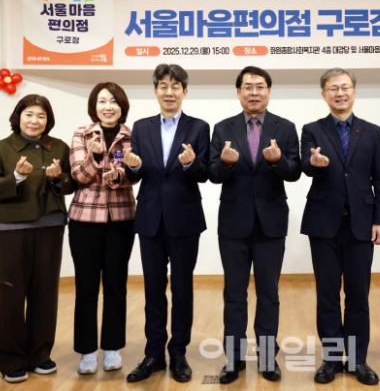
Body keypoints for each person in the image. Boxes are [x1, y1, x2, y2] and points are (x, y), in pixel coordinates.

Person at [208, 66, 301, 384]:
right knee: (234, 294)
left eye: (260, 86)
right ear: (238, 92)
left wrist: (277, 161)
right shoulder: (223, 128)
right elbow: (212, 174)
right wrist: (225, 164)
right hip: (233, 224)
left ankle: (267, 357)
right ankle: (233, 359)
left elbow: (294, 171)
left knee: (268, 293)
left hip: (271, 224)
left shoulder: (285, 127)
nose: (254, 92)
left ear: (269, 91)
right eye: (247, 87)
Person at [301, 68, 380, 386]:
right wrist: (314, 164)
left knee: (358, 295)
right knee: (327, 295)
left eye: (345, 87)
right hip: (323, 224)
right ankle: (331, 359)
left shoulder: (372, 132)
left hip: (361, 224)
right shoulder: (312, 130)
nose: (340, 93)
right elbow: (304, 164)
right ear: (324, 94)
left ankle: (357, 359)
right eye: (333, 88)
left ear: (354, 91)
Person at [0, 94, 74, 383]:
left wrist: (57, 179)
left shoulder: (59, 147)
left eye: (41, 116)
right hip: (13, 229)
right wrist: (17, 178)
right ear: (18, 117)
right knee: (12, 293)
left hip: (51, 226)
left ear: (48, 120)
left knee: (45, 292)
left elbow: (71, 183)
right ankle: (10, 359)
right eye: (29, 114)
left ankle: (40, 354)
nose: (35, 121)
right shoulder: (1, 149)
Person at [124, 64, 210, 383]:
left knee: (182, 288)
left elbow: (204, 173)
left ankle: (179, 353)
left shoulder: (198, 127)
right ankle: (153, 354)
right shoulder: (141, 127)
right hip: (149, 218)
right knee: (153, 289)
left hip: (185, 218)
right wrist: (133, 167)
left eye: (176, 86)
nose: (169, 92)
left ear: (185, 91)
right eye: (163, 86)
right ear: (155, 91)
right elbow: (135, 173)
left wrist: (191, 163)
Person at [67, 82, 136, 374]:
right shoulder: (81, 133)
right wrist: (95, 158)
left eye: (114, 101)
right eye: (102, 101)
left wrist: (118, 174)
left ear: (122, 106)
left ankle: (112, 348)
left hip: (121, 220)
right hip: (84, 221)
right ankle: (86, 351)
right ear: (94, 106)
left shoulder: (132, 135)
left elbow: (134, 174)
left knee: (116, 286)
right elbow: (79, 175)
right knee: (86, 287)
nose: (108, 107)